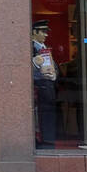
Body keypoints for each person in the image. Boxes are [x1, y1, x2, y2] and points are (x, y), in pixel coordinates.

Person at [31, 19, 58, 148]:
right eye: (43, 31)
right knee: (39, 116)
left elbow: (53, 66)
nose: (46, 35)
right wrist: (35, 62)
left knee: (47, 114)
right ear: (34, 32)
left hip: (48, 87)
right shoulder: (30, 47)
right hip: (39, 87)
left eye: (46, 32)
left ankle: (47, 138)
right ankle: (41, 140)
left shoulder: (45, 48)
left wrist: (54, 75)